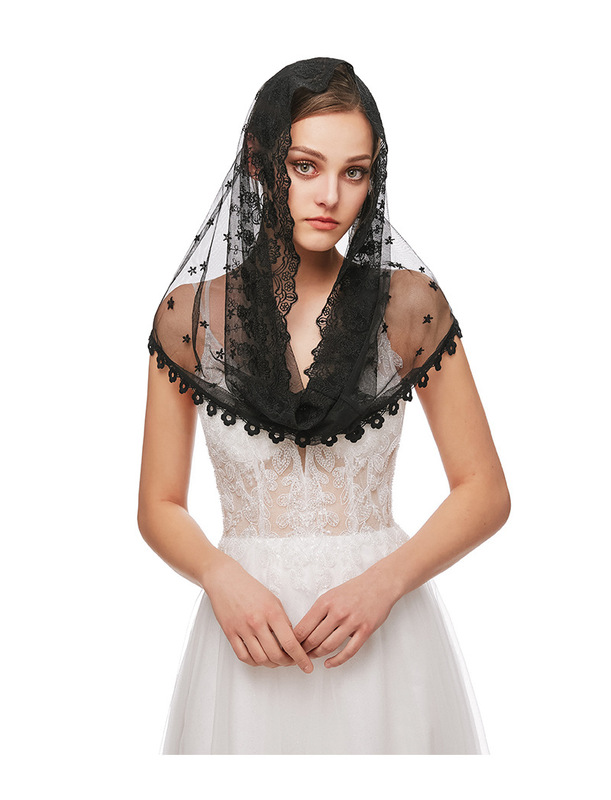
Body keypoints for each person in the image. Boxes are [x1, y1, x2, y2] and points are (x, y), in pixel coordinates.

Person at [138, 57, 510, 755]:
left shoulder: (407, 306)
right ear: (259, 160)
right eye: (305, 166)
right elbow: (158, 503)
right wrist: (219, 575)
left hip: (384, 632)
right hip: (245, 632)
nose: (331, 196)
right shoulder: (189, 316)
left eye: (355, 172)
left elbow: (485, 490)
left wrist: (384, 583)